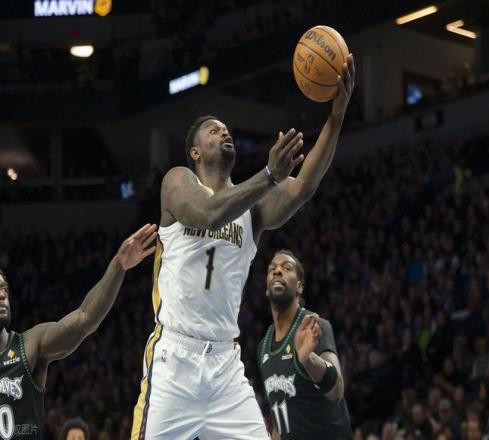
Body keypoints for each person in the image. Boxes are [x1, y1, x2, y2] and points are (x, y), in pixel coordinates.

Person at [131, 55, 355, 439]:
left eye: (226, 128)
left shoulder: (253, 207)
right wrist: (268, 175)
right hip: (174, 361)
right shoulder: (178, 181)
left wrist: (336, 116)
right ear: (195, 153)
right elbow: (206, 215)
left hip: (225, 367)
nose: (224, 131)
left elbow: (303, 187)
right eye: (213, 130)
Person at [0, 224, 157, 439]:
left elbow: (85, 319)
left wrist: (118, 266)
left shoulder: (28, 346)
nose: (2, 295)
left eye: (4, 289)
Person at [257, 250, 352, 439]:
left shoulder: (313, 326)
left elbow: (337, 390)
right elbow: (278, 424)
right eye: (272, 269)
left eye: (286, 268)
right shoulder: (263, 346)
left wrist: (308, 359)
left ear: (299, 287)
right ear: (267, 288)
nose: (277, 271)